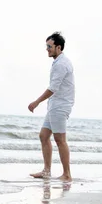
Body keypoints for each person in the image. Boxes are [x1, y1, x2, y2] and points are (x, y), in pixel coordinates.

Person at [28, 32, 75, 182]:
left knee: (60, 139)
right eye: (46, 46)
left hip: (60, 105)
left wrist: (36, 102)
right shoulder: (58, 62)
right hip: (54, 105)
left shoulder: (62, 64)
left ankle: (67, 174)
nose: (47, 49)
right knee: (43, 136)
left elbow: (53, 88)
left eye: (49, 46)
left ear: (58, 47)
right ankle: (46, 171)